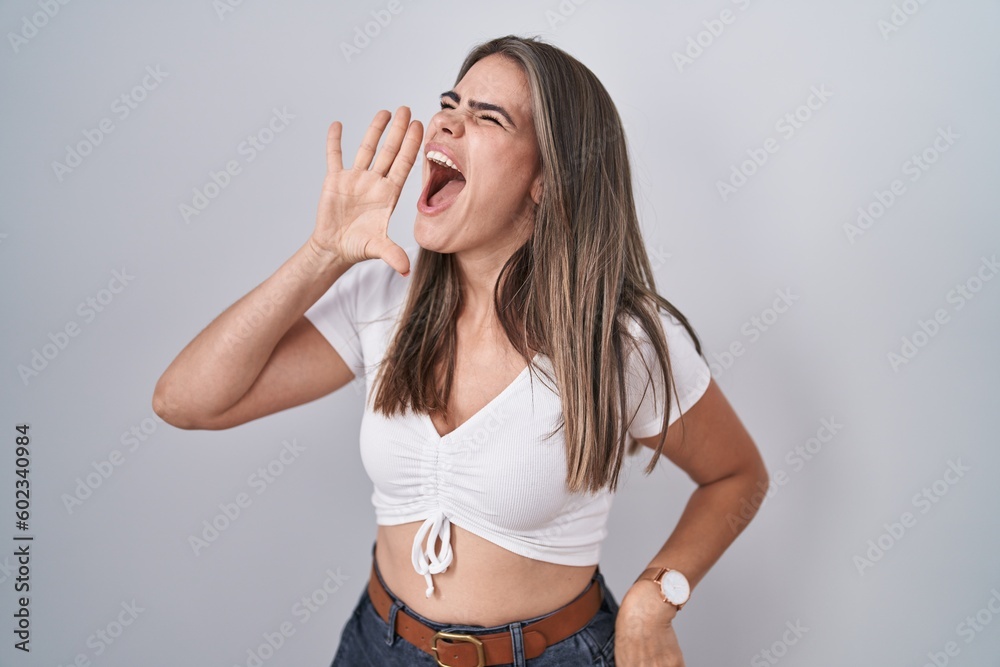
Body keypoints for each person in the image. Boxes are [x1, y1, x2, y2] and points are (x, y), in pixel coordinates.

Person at [153, 34, 768, 667]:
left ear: (546, 181)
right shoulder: (383, 296)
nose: (445, 120)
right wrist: (324, 254)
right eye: (451, 103)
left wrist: (655, 597)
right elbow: (185, 401)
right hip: (379, 645)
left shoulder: (616, 341)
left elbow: (737, 477)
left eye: (487, 116)